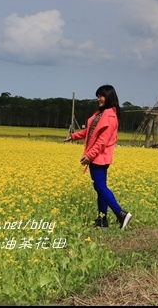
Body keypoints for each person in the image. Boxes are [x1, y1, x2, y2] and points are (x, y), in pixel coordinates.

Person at [63, 85, 132, 230]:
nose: (98, 99)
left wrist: (89, 155)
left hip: (99, 157)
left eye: (101, 96)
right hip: (96, 157)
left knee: (100, 186)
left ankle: (121, 214)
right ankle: (102, 221)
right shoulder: (101, 114)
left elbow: (102, 141)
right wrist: (73, 137)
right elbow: (89, 132)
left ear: (109, 97)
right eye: (98, 96)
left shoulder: (110, 116)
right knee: (100, 188)